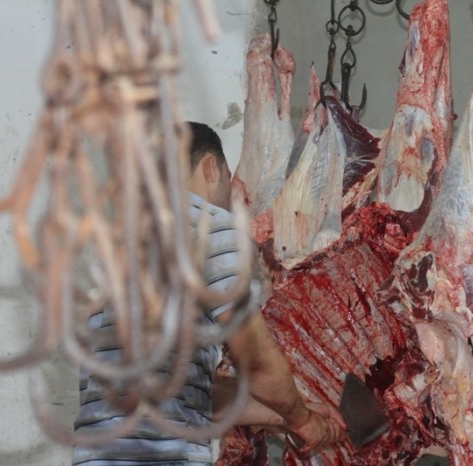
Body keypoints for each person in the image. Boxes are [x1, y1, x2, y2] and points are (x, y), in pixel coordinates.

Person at [72, 122, 345, 465]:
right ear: (211, 168)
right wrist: (302, 420)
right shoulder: (209, 226)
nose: (230, 199)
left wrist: (282, 414)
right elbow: (257, 361)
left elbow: (191, 393)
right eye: (229, 181)